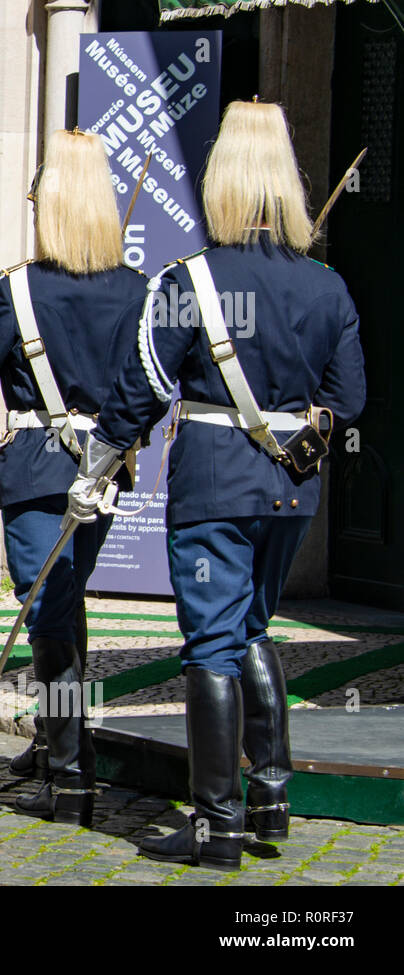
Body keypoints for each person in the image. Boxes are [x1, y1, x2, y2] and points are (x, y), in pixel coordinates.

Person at [68, 101, 366, 869]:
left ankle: (215, 825)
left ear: (222, 180)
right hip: (290, 492)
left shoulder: (188, 279)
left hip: (212, 488)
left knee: (210, 643)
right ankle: (270, 795)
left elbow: (139, 389)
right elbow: (349, 399)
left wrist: (97, 461)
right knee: (251, 629)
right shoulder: (328, 286)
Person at [0, 131, 146, 825]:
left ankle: (72, 777)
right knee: (65, 607)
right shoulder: (138, 289)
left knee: (49, 618)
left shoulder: (15, 289)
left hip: (40, 470)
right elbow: (150, 385)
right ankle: (56, 740)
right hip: (104, 469)